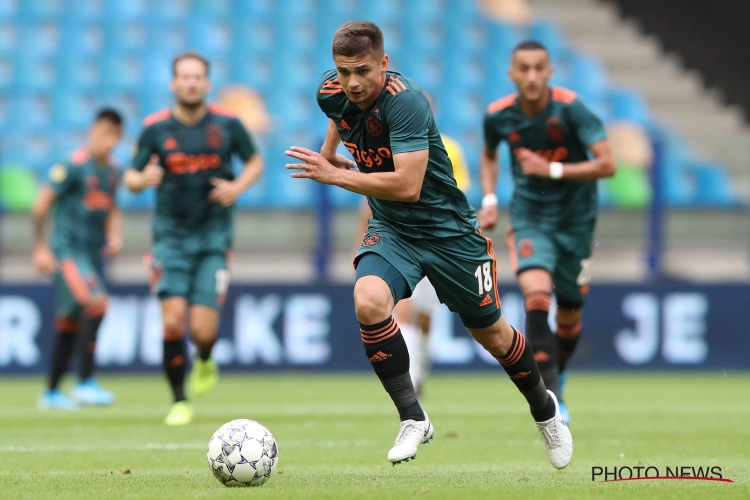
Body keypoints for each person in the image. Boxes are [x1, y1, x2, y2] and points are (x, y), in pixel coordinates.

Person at [286, 21, 571, 468]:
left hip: (449, 233)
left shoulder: (407, 103)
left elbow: (408, 186)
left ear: (384, 63)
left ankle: (545, 410)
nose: (352, 82)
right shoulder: (331, 91)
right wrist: (327, 156)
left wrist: (337, 175)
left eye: (362, 70)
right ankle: (412, 417)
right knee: (368, 300)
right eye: (343, 72)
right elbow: (339, 122)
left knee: (493, 335)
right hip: (395, 229)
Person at [478, 41, 616, 425]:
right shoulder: (499, 115)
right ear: (512, 74)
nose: (533, 76)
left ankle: (561, 376)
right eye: (524, 68)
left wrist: (552, 170)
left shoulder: (571, 108)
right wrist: (490, 196)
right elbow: (489, 153)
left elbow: (608, 164)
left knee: (569, 315)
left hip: (576, 223)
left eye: (540, 68)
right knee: (536, 297)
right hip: (530, 219)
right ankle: (551, 397)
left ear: (550, 72)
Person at [124, 52, 263, 426]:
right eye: (184, 77)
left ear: (207, 83)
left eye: (197, 77)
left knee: (203, 331)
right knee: (172, 323)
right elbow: (131, 177)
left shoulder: (228, 123)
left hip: (213, 239)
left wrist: (237, 187)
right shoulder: (155, 128)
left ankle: (204, 357)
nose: (190, 83)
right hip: (170, 239)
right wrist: (143, 180)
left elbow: (255, 161)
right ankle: (179, 401)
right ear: (173, 83)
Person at [352, 129, 472, 398]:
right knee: (403, 310)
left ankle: (421, 368)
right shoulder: (382, 148)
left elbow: (456, 195)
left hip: (438, 241)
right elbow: (368, 204)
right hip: (398, 242)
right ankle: (412, 379)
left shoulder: (448, 147)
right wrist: (360, 248)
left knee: (426, 319)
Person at [32, 108, 124, 410]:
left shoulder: (112, 171)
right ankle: (85, 381)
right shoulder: (72, 166)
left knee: (69, 320)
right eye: (104, 133)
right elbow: (41, 204)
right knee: (97, 302)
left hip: (91, 253)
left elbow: (111, 207)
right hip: (68, 251)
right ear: (92, 131)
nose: (108, 141)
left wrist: (115, 235)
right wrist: (41, 247)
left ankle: (52, 392)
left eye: (115, 136)